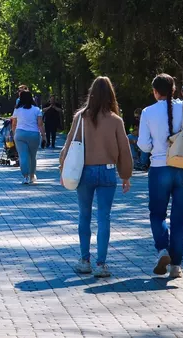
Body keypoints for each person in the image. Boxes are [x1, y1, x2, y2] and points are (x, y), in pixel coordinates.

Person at [60, 76, 132, 278]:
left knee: (84, 215)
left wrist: (63, 169)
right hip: (108, 172)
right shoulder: (116, 121)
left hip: (84, 172)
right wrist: (125, 175)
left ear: (91, 94)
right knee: (104, 218)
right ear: (111, 95)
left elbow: (69, 144)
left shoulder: (80, 117)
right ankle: (101, 264)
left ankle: (85, 261)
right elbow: (124, 150)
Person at [138, 73, 183, 278]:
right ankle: (176, 266)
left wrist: (154, 147)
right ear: (175, 90)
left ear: (155, 91)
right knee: (180, 219)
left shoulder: (148, 112)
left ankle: (162, 250)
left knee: (157, 214)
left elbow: (143, 144)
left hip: (160, 168)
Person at [11, 90, 46, 184]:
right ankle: (32, 176)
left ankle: (25, 176)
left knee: (23, 156)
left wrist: (14, 134)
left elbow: (14, 124)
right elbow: (40, 124)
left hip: (20, 134)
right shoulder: (37, 109)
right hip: (33, 134)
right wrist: (43, 136)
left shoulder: (17, 110)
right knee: (32, 156)